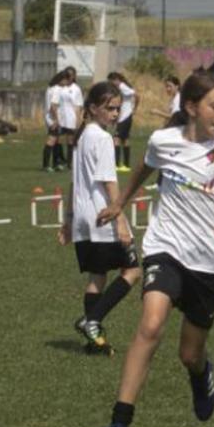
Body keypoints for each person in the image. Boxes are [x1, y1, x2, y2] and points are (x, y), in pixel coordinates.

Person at [88, 71, 214, 427]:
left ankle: (201, 375)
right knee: (149, 325)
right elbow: (144, 168)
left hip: (212, 262)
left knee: (189, 354)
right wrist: (121, 202)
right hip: (167, 248)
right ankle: (118, 425)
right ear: (191, 107)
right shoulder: (163, 141)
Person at [60, 81, 141, 353]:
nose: (115, 114)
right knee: (132, 271)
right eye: (110, 109)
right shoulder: (103, 138)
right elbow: (109, 182)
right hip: (103, 216)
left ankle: (94, 342)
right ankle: (91, 320)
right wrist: (120, 220)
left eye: (118, 109)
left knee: (97, 276)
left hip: (84, 218)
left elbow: (74, 182)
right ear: (93, 109)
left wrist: (69, 219)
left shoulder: (82, 137)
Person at [108, 72, 138, 172]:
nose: (111, 83)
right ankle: (126, 165)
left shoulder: (122, 86)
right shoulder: (121, 87)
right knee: (125, 139)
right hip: (125, 116)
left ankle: (116, 164)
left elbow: (136, 95)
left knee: (116, 139)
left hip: (125, 116)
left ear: (116, 79)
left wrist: (134, 108)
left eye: (111, 81)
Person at [57, 68, 83, 169]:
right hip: (61, 117)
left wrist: (78, 120)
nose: (70, 77)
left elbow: (78, 105)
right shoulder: (60, 88)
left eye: (71, 75)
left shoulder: (76, 89)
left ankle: (70, 162)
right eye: (68, 75)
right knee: (57, 140)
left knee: (70, 141)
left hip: (71, 118)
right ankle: (59, 160)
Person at [43, 71, 67, 171]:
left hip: (49, 117)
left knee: (57, 140)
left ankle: (56, 163)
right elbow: (53, 106)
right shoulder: (57, 90)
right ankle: (46, 165)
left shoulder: (50, 89)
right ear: (61, 80)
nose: (66, 83)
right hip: (53, 119)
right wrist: (56, 120)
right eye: (66, 80)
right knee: (51, 140)